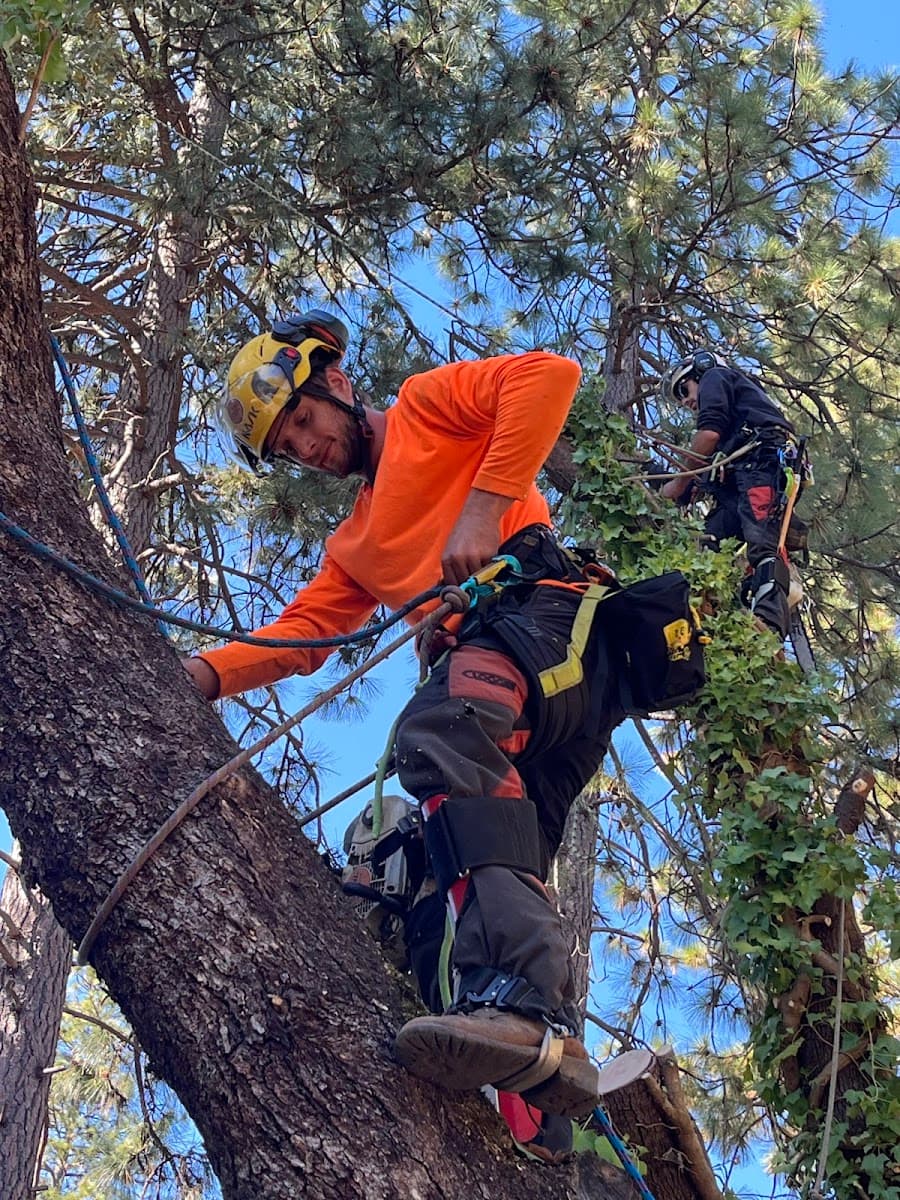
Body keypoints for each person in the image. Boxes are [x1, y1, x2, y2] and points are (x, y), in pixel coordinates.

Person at [184, 310, 630, 1150]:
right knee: (433, 870)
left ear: (338, 383)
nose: (309, 448)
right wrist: (205, 673)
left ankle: (523, 1007)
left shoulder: (429, 405)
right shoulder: (354, 545)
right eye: (289, 448)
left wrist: (483, 510)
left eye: (306, 421)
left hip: (548, 622)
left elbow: (549, 377)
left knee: (435, 732)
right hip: (520, 710)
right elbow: (302, 636)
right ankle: (539, 1106)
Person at [659, 349, 801, 639]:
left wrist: (677, 484)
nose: (687, 401)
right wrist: (690, 488)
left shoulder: (715, 376)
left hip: (762, 465)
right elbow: (712, 463)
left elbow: (708, 435)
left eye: (684, 389)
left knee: (763, 543)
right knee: (707, 543)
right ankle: (711, 607)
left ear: (699, 372)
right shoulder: (736, 421)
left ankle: (769, 626)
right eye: (682, 400)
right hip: (741, 480)